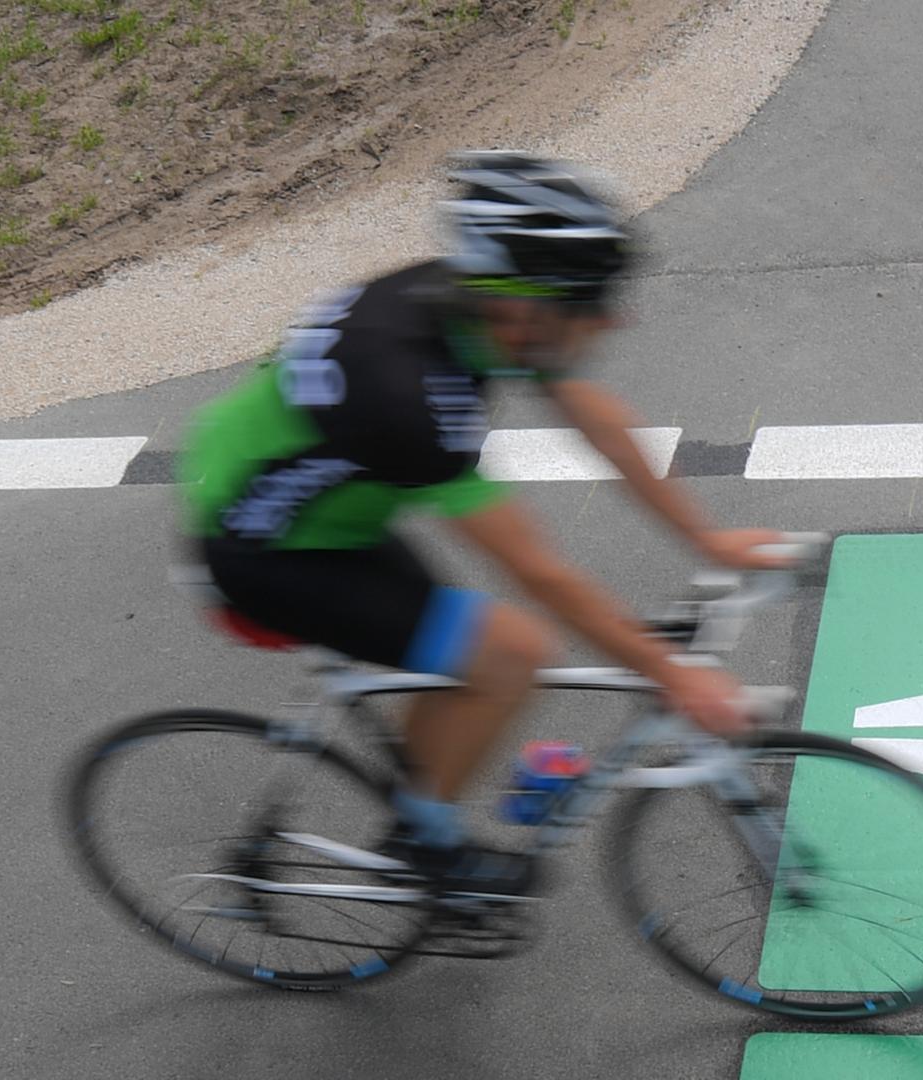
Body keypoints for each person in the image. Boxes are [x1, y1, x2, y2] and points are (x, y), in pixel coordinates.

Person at [177, 151, 783, 893]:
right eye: (588, 298)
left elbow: (591, 414)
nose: (611, 316)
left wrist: (706, 539)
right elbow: (538, 571)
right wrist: (672, 676)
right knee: (511, 651)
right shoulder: (407, 398)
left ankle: (419, 805)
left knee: (470, 657)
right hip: (266, 551)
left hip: (323, 509)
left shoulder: (475, 308)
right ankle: (423, 848)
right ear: (518, 303)